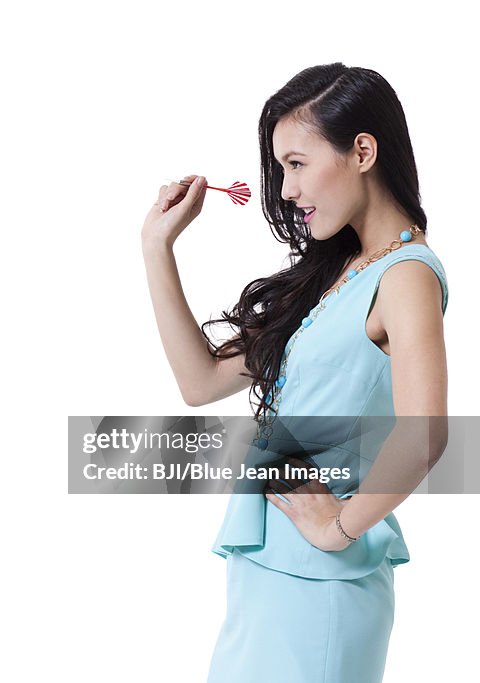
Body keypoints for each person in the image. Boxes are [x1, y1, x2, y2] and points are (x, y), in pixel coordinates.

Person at [141, 64, 448, 682]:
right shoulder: (336, 275)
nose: (285, 189)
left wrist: (340, 525)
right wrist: (157, 247)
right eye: (281, 167)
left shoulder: (406, 274)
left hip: (323, 580)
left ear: (362, 151)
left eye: (297, 163)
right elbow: (200, 382)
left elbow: (425, 435)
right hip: (268, 570)